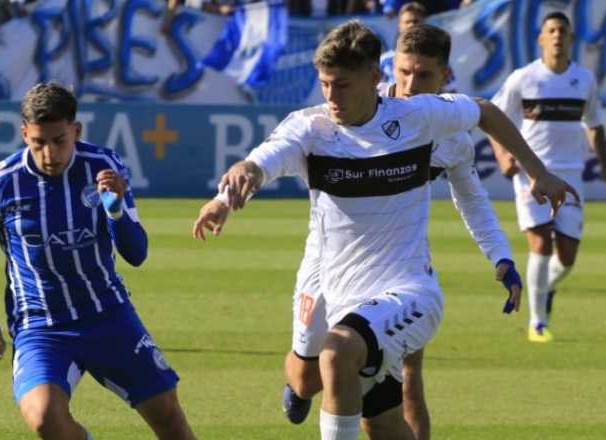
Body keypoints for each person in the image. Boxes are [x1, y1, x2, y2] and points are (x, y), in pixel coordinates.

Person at [192, 20, 576, 440]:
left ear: (374, 78)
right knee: (365, 412)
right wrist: (227, 193)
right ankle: (304, 384)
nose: (331, 97)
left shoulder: (422, 117)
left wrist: (532, 184)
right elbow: (262, 159)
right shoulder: (310, 128)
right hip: (331, 278)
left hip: (408, 288)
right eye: (324, 84)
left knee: (343, 354)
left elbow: (483, 114)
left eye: (342, 85)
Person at [261, 24, 520, 440]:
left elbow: (472, 200)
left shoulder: (444, 130)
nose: (411, 85)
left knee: (403, 377)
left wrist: (501, 256)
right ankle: (300, 386)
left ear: (446, 78)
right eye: (404, 73)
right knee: (310, 377)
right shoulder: (354, 115)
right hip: (327, 263)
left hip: (398, 271)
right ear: (387, 71)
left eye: (425, 76)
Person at [0, 82, 197, 440]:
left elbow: (137, 253)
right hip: (41, 326)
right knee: (43, 417)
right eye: (38, 142)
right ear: (24, 133)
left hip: (108, 314)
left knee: (168, 417)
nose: (49, 153)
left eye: (59, 140)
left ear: (76, 130)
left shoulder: (103, 167)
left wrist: (116, 210)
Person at [489, 11, 606, 343]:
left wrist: (605, 164)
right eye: (551, 30)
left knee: (567, 257)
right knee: (540, 242)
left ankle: (545, 290)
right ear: (541, 38)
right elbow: (493, 118)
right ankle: (537, 322)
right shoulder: (523, 78)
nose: (557, 36)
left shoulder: (584, 79)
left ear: (571, 39)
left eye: (563, 31)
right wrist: (503, 156)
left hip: (570, 174)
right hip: (531, 175)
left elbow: (594, 126)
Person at [379, 2, 424, 87]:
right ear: (399, 25)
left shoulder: (436, 59)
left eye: (415, 21)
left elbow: (450, 95)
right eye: (407, 22)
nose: (412, 25)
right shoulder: (384, 61)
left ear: (424, 23)